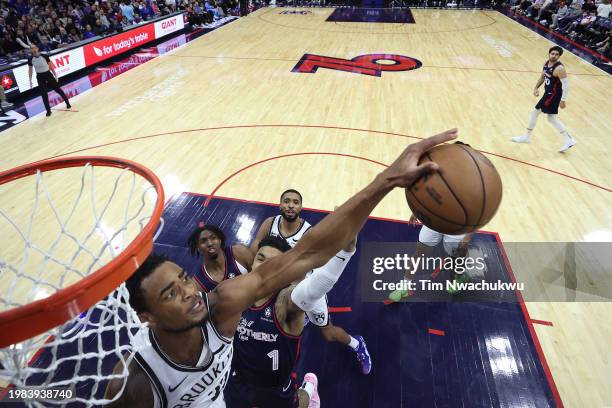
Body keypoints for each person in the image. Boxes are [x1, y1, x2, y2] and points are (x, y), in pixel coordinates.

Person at [103, 128, 458, 408]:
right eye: (171, 293)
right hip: (237, 382)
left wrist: (386, 181)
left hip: (298, 298)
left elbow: (307, 255)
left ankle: (319, 380)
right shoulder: (134, 381)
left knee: (322, 325)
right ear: (146, 316)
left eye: (183, 279)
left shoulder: (227, 301)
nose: (190, 292)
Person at [225, 235, 358, 408]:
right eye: (260, 258)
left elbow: (312, 289)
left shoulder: (285, 302)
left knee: (299, 403)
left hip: (275, 388)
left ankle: (309, 389)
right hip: (238, 380)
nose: (264, 266)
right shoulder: (235, 294)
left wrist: (344, 253)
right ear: (252, 263)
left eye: (274, 263)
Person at [251, 190, 372, 375]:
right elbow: (255, 246)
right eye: (287, 201)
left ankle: (357, 343)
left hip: (304, 287)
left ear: (301, 207)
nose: (291, 205)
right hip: (276, 287)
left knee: (328, 333)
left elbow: (314, 265)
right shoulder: (270, 223)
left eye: (295, 202)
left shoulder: (309, 232)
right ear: (280, 204)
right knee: (272, 332)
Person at [512, 46, 576, 153]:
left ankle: (526, 136)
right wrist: (536, 87)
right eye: (552, 53)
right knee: (551, 118)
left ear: (559, 56)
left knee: (534, 112)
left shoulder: (559, 68)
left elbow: (566, 85)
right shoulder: (546, 63)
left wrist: (563, 100)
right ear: (549, 54)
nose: (554, 56)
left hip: (553, 95)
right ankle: (569, 139)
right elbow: (542, 77)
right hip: (548, 93)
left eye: (556, 54)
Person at [186, 224, 253, 292]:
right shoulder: (198, 283)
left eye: (213, 238)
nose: (210, 244)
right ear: (198, 248)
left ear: (220, 240)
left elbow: (260, 276)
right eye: (203, 241)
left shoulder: (240, 252)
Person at [27, 44, 71, 117]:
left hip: (48, 74)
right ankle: (48, 110)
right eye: (32, 48)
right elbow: (30, 70)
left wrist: (55, 75)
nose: (33, 49)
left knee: (57, 89)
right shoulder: (30, 59)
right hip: (40, 77)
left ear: (37, 48)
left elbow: (51, 66)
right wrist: (30, 80)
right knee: (44, 94)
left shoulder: (44, 56)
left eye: (34, 48)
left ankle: (67, 102)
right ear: (30, 50)